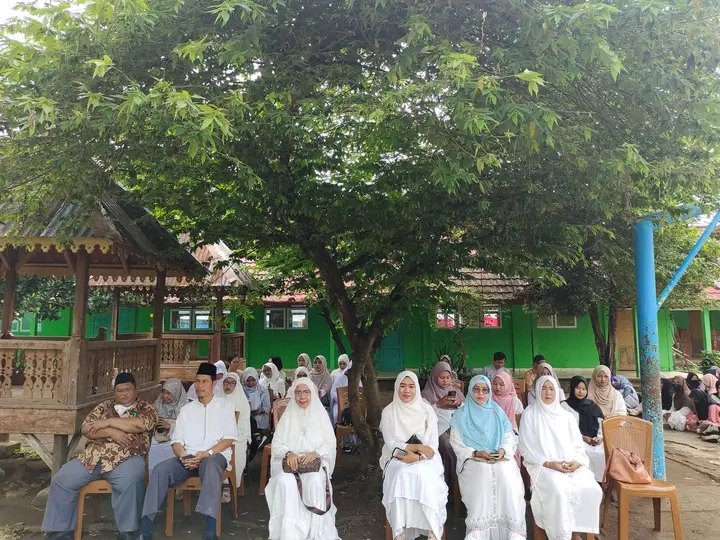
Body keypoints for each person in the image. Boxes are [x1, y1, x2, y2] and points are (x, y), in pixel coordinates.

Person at [42, 372, 158, 540]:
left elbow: (139, 424)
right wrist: (112, 431)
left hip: (127, 456)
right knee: (62, 478)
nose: (124, 393)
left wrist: (107, 422)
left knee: (132, 479)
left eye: (128, 389)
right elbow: (86, 429)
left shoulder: (146, 408)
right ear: (114, 392)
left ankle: (127, 531)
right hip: (94, 456)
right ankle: (59, 532)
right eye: (119, 390)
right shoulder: (104, 407)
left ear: (136, 390)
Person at [138, 362, 237, 540]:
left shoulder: (225, 407)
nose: (200, 386)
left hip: (214, 456)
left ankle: (210, 530)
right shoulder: (186, 410)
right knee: (161, 469)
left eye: (204, 381)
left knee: (211, 466)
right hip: (188, 458)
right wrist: (184, 456)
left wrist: (206, 453)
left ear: (214, 383)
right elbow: (176, 442)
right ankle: (144, 529)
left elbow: (229, 439)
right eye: (197, 381)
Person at [519, 376, 602, 540]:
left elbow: (579, 446)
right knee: (558, 490)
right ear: (537, 391)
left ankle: (574, 532)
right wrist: (550, 463)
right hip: (544, 467)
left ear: (557, 392)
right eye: (543, 388)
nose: (548, 393)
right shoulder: (530, 415)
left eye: (551, 389)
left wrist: (577, 462)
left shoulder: (566, 416)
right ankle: (561, 534)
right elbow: (525, 449)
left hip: (570, 465)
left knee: (592, 489)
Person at [450, 375, 526, 539]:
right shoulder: (461, 414)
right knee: (483, 472)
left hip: (498, 457)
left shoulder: (496, 411)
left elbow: (509, 436)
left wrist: (503, 450)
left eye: (485, 390)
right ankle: (480, 532)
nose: (480, 394)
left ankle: (510, 531)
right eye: (476, 389)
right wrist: (475, 453)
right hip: (473, 459)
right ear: (470, 391)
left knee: (506, 473)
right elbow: (456, 443)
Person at [265, 379, 340, 540]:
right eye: (298, 392)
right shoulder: (288, 416)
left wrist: (316, 453)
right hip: (290, 466)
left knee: (314, 481)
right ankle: (289, 534)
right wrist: (288, 453)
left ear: (312, 394)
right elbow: (277, 444)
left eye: (306, 392)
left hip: (313, 466)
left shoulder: (321, 415)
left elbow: (330, 443)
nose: (302, 396)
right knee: (286, 483)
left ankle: (314, 533)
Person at [380, 371, 448, 540]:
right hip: (396, 458)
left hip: (427, 459)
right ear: (396, 387)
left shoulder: (427, 411)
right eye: (402, 386)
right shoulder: (389, 412)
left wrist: (418, 457)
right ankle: (399, 530)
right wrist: (416, 447)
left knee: (424, 475)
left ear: (417, 388)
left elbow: (433, 447)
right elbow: (391, 444)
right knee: (402, 474)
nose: (406, 391)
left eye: (411, 386)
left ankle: (432, 528)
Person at [420, 360, 464, 485]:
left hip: (458, 425)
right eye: (442, 377)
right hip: (439, 427)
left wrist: (459, 403)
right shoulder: (427, 394)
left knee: (465, 444)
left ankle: (464, 481)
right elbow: (424, 416)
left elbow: (467, 410)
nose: (445, 380)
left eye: (448, 377)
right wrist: (438, 404)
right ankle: (450, 482)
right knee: (448, 445)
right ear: (435, 377)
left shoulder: (456, 391)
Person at [561, 376, 605, 482]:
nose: (581, 391)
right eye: (578, 388)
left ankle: (603, 482)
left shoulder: (592, 405)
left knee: (604, 453)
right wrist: (583, 438)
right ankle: (586, 482)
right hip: (575, 440)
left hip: (595, 441)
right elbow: (564, 428)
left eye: (584, 388)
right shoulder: (564, 406)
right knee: (585, 452)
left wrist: (599, 438)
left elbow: (601, 424)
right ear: (572, 388)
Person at [221, 372, 252, 504]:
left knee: (235, 451)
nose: (228, 385)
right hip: (220, 432)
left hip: (237, 434)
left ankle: (227, 484)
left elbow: (234, 422)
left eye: (231, 383)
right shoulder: (218, 397)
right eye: (225, 382)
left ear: (236, 385)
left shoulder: (239, 399)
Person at [149, 378, 188, 471]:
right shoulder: (158, 404)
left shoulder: (186, 409)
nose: (164, 396)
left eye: (169, 393)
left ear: (177, 393)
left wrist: (171, 426)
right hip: (158, 438)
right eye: (163, 392)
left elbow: (188, 428)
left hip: (178, 441)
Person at [243, 367, 271, 457]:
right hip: (246, 420)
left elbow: (267, 406)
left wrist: (261, 410)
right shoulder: (241, 390)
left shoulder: (262, 389)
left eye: (253, 380)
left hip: (261, 419)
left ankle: (258, 441)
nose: (251, 383)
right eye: (248, 381)